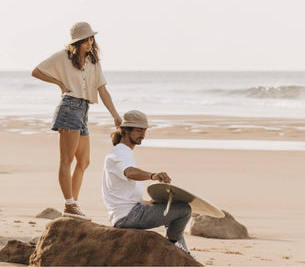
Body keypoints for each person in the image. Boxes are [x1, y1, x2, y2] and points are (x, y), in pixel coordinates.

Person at [32, 21, 122, 220]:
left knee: (84, 161)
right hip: (69, 108)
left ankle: (72, 205)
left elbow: (102, 90)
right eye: (86, 40)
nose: (90, 43)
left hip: (83, 111)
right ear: (78, 41)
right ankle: (70, 204)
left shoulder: (93, 62)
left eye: (92, 39)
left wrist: (115, 114)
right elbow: (36, 71)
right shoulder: (62, 57)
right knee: (66, 160)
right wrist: (59, 83)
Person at [102, 110, 192, 255]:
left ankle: (182, 252)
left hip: (130, 212)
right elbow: (130, 172)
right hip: (129, 216)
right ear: (125, 130)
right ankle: (172, 250)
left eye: (144, 130)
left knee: (171, 211)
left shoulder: (124, 153)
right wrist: (153, 176)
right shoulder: (119, 153)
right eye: (139, 130)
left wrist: (146, 203)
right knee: (184, 210)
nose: (143, 134)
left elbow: (121, 193)